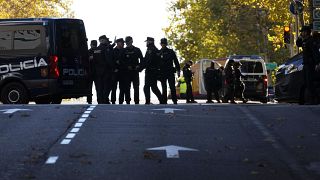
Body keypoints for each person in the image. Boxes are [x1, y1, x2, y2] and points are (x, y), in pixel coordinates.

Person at [296, 25, 317, 104]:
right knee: (305, 82)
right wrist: (299, 36)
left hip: (311, 64)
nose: (302, 33)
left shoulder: (311, 41)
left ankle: (313, 100)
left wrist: (317, 63)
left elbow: (315, 53)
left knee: (310, 82)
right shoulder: (305, 41)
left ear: (307, 32)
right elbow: (298, 44)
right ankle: (307, 99)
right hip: (306, 64)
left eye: (303, 32)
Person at [141, 37, 164, 104]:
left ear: (150, 42)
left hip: (150, 71)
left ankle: (148, 101)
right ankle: (161, 100)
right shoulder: (153, 49)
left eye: (147, 41)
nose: (146, 43)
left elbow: (148, 60)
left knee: (147, 87)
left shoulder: (151, 49)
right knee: (154, 87)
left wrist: (141, 68)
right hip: (153, 70)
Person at [92, 35, 114, 104]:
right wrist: (113, 67)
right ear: (102, 40)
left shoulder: (96, 49)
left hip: (98, 71)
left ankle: (100, 100)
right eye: (104, 39)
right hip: (106, 70)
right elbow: (108, 60)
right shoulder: (106, 48)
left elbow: (94, 60)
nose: (105, 41)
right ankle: (104, 100)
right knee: (106, 86)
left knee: (99, 87)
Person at [159, 38, 180, 104]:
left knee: (172, 87)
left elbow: (176, 61)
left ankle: (174, 100)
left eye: (164, 43)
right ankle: (164, 100)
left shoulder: (170, 51)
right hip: (162, 72)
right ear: (161, 44)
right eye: (162, 43)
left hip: (170, 71)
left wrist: (178, 70)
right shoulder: (159, 52)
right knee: (164, 87)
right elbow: (157, 63)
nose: (163, 44)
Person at [123, 36, 144, 104]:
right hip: (127, 72)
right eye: (126, 42)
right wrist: (126, 66)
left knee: (136, 87)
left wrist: (139, 67)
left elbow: (142, 60)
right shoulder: (124, 50)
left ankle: (136, 101)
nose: (127, 43)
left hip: (135, 71)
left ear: (132, 41)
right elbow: (121, 61)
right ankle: (127, 101)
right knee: (127, 87)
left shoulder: (137, 50)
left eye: (129, 41)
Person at [111, 38, 125, 104]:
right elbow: (110, 60)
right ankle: (113, 101)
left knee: (122, 88)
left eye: (123, 43)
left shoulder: (124, 50)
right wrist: (114, 68)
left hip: (122, 71)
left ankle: (121, 101)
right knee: (114, 88)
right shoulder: (113, 51)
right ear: (118, 43)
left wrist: (120, 62)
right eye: (121, 42)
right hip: (115, 71)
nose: (123, 44)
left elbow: (126, 60)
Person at [87, 40, 97, 104]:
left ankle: (98, 99)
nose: (93, 46)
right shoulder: (88, 52)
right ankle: (89, 99)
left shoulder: (96, 51)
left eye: (94, 44)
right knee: (90, 87)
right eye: (93, 44)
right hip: (91, 71)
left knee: (97, 87)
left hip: (95, 71)